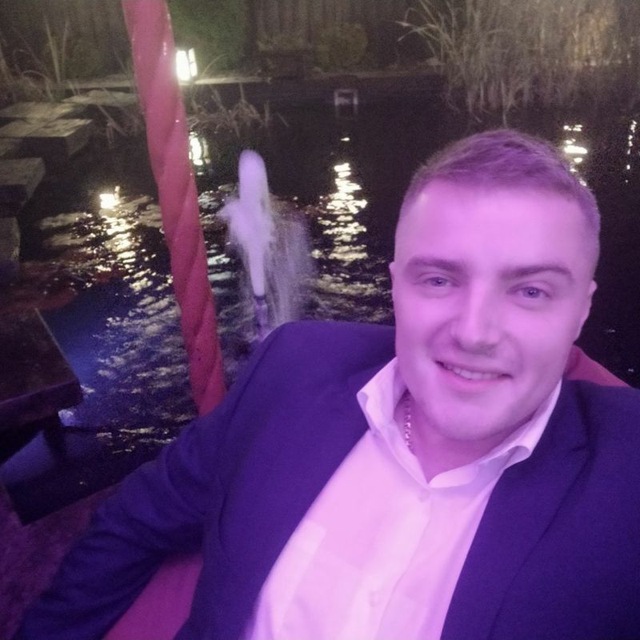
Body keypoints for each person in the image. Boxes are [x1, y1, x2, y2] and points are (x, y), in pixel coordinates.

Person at [16, 129, 640, 640]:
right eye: (439, 280)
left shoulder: (625, 474)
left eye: (530, 291)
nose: (475, 332)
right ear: (397, 284)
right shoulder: (291, 368)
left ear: (581, 309)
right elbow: (135, 520)